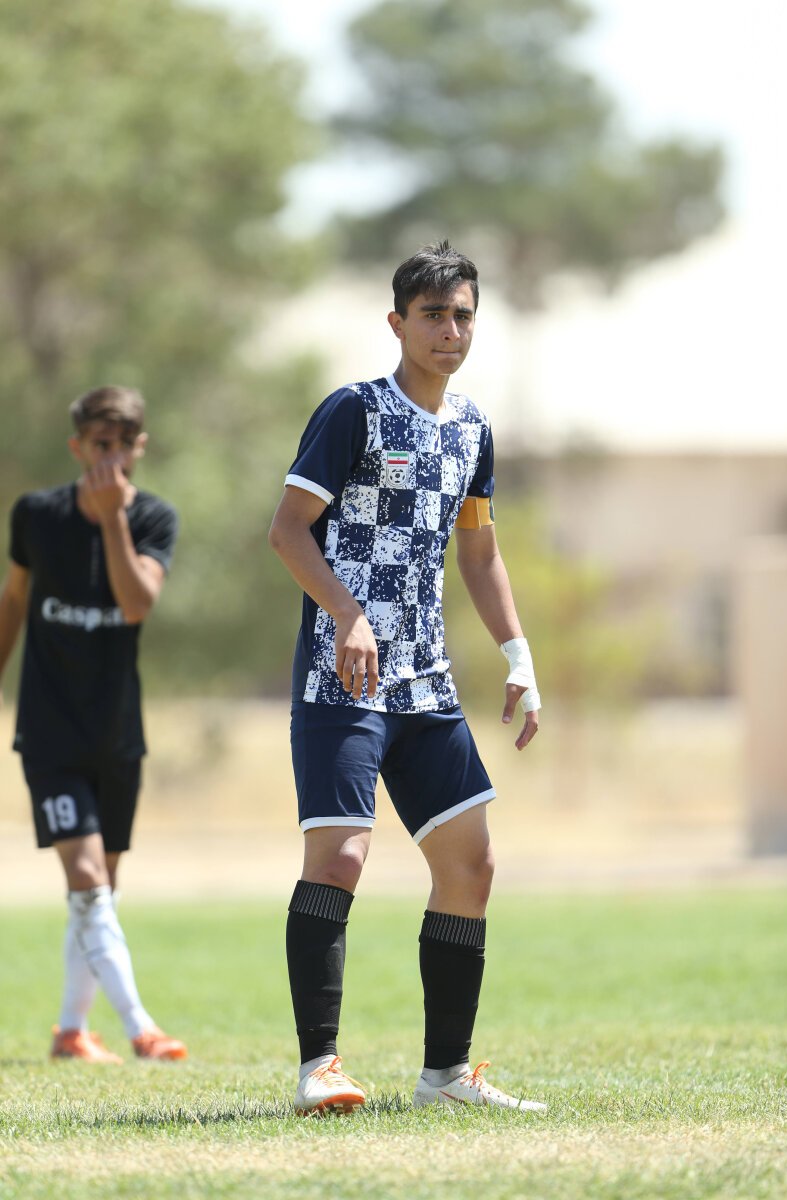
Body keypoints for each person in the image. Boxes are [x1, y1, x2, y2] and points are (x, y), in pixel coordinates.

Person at [268, 240, 545, 1115]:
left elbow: (479, 550)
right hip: (342, 678)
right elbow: (287, 529)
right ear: (397, 322)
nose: (449, 330)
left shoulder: (472, 430)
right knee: (341, 858)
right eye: (432, 315)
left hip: (426, 682)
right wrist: (348, 615)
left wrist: (517, 654)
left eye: (463, 315)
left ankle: (446, 1078)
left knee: (472, 864)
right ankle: (319, 1068)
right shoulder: (353, 410)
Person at [0, 385, 188, 1063]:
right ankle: (141, 1028)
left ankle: (70, 1031)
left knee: (98, 890)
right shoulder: (37, 515)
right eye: (99, 444)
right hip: (50, 729)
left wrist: (112, 522)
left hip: (116, 733)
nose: (111, 457)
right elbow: (14, 600)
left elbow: (137, 603)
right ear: (77, 446)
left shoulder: (154, 518)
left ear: (140, 447)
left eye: (123, 445)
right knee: (85, 879)